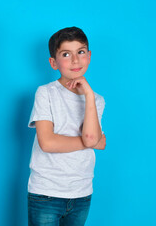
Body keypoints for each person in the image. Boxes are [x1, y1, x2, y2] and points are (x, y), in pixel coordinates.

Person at [27, 26, 106, 226]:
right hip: (46, 192)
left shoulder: (96, 100)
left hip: (82, 192)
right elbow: (48, 143)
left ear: (88, 55)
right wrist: (92, 142)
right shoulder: (46, 93)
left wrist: (88, 94)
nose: (75, 60)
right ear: (53, 63)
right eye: (66, 54)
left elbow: (93, 139)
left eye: (80, 52)